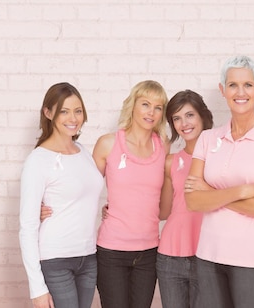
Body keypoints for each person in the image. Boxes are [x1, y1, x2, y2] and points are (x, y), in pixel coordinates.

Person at [185, 55, 254, 307]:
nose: (240, 92)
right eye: (233, 85)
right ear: (223, 90)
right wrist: (244, 191)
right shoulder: (207, 139)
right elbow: (192, 200)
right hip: (209, 256)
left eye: (247, 84)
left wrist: (212, 194)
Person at [157, 89, 254, 308]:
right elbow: (165, 211)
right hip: (170, 256)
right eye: (176, 118)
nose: (184, 123)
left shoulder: (221, 158)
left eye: (189, 115)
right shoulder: (171, 161)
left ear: (202, 116)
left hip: (209, 255)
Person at [19, 82, 104, 308]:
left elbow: (84, 196)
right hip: (56, 259)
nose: (73, 118)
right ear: (48, 113)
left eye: (78, 111)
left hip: (88, 256)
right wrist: (36, 288)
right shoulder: (38, 161)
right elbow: (27, 228)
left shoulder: (84, 152)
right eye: (64, 111)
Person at [93, 80, 169, 308]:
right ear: (133, 105)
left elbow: (163, 207)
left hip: (148, 252)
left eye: (158, 107)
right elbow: (83, 190)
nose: (151, 112)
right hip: (111, 251)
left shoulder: (162, 145)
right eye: (145, 104)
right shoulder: (108, 144)